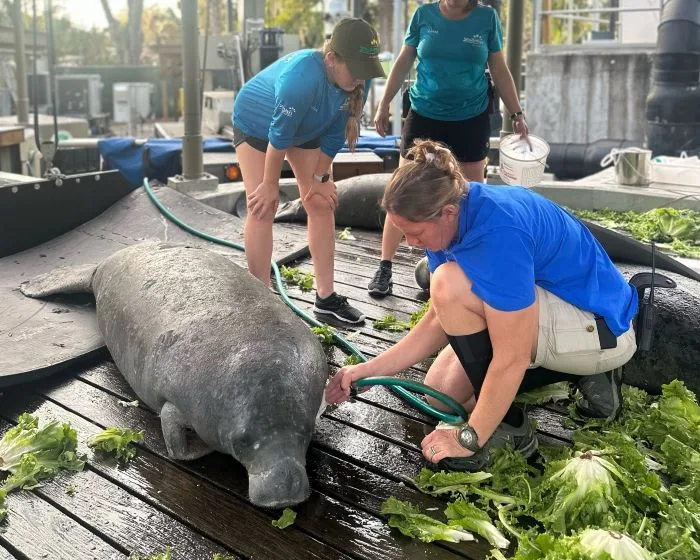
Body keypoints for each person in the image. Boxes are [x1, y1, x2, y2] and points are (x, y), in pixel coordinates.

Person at [326, 140, 639, 471]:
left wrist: (470, 437)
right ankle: (566, 377)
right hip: (557, 307)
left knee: (448, 283)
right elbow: (436, 319)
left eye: (415, 233)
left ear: (447, 213)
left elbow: (512, 356)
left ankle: (512, 428)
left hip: (601, 329)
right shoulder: (450, 212)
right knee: (440, 392)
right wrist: (365, 371)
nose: (411, 243)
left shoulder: (498, 232)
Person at [368, 0, 528, 297]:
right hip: (425, 112)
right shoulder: (423, 15)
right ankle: (385, 266)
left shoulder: (486, 18)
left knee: (470, 194)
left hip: (471, 117)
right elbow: (404, 61)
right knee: (401, 189)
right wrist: (383, 104)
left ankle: (467, 266)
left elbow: (499, 67)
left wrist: (516, 113)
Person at [232, 18, 385, 324]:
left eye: (365, 70)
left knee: (320, 202)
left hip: (307, 127)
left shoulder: (358, 79)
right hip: (257, 124)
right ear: (331, 59)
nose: (361, 78)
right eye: (355, 69)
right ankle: (262, 301)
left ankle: (325, 298)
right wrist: (270, 185)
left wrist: (321, 178)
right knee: (263, 205)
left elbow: (335, 133)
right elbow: (279, 137)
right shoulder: (300, 78)